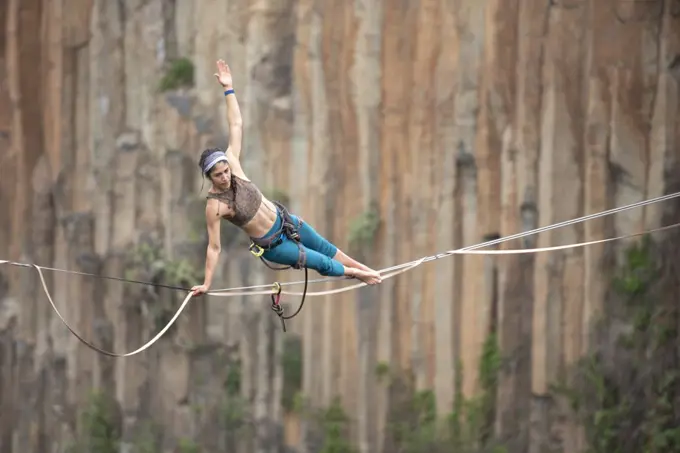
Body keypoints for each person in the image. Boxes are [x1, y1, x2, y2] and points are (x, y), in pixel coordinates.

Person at [190, 60, 383, 297]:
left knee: (326, 248)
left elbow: (236, 124)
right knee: (320, 262)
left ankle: (366, 270)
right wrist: (207, 283)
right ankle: (359, 274)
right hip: (274, 245)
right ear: (209, 177)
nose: (225, 176)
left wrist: (228, 89)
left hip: (286, 221)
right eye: (218, 175)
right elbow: (214, 248)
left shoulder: (234, 163)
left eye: (225, 171)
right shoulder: (215, 205)